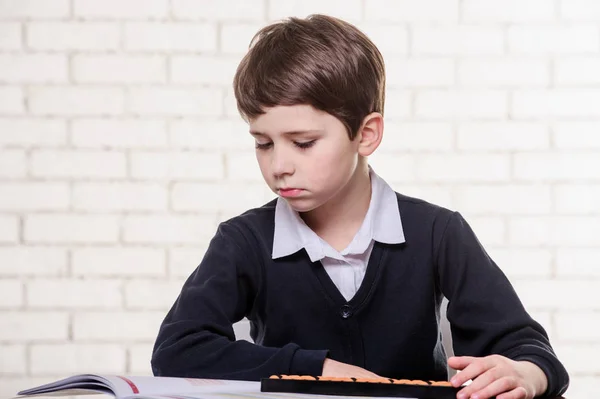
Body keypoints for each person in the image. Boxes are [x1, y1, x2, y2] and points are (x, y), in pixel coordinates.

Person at [151, 14, 569, 399]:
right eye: (263, 143)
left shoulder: (437, 232)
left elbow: (526, 348)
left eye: (303, 143)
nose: (278, 165)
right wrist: (315, 369)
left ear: (366, 135)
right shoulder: (244, 241)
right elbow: (177, 349)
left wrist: (527, 373)